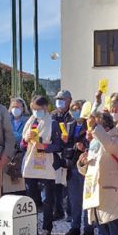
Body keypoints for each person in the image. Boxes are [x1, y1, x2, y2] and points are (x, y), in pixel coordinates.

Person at [21, 95, 63, 235]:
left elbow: (58, 146)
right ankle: (32, 228)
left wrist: (44, 147)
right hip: (30, 166)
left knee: (47, 200)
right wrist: (26, 140)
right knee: (31, 200)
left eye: (38, 109)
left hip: (46, 167)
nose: (36, 112)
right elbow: (22, 146)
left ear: (45, 108)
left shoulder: (53, 123)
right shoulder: (30, 122)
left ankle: (46, 229)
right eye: (33, 109)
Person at [63, 99, 93, 235]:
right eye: (73, 109)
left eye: (77, 109)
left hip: (85, 166)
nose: (75, 111)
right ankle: (75, 226)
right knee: (74, 200)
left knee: (87, 198)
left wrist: (85, 147)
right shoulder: (69, 125)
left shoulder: (90, 125)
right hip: (71, 166)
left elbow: (94, 144)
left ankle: (88, 228)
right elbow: (64, 144)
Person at [52, 90, 73, 221]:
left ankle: (70, 213)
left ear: (69, 101)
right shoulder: (53, 115)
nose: (59, 102)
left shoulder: (72, 116)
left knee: (69, 185)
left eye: (62, 99)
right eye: (57, 99)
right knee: (56, 184)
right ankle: (58, 210)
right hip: (55, 153)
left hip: (69, 153)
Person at [4, 97, 29, 195]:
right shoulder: (5, 120)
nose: (15, 109)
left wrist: (13, 135)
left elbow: (24, 137)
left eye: (18, 107)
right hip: (8, 153)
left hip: (22, 153)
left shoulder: (28, 120)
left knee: (21, 182)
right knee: (8, 182)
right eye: (13, 106)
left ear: (23, 108)